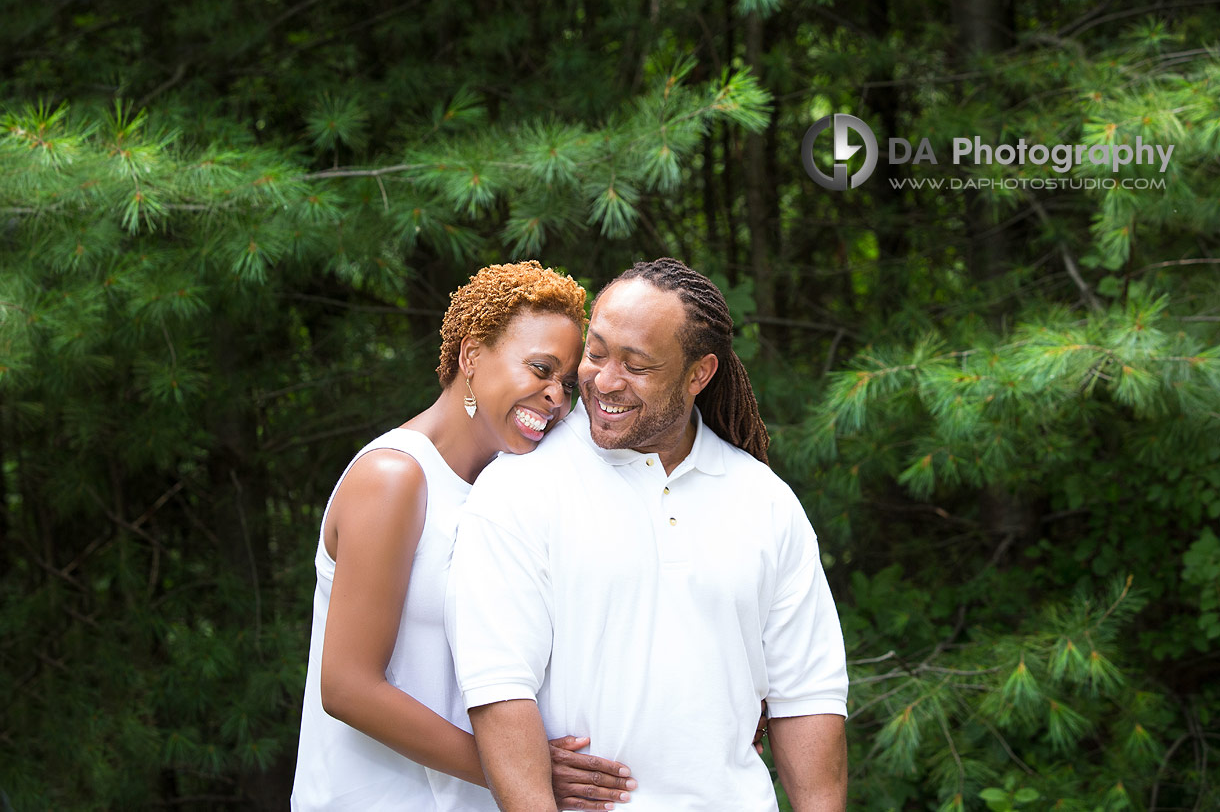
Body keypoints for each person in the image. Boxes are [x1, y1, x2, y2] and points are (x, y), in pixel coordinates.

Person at [447, 258, 849, 811]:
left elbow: (807, 698)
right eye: (596, 352)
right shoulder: (518, 489)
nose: (604, 381)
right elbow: (499, 689)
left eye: (636, 365)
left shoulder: (766, 502)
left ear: (698, 374)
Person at [292, 261, 638, 811]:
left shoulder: (513, 488)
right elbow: (348, 687)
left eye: (566, 383)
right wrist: (524, 769)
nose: (556, 399)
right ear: (471, 356)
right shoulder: (395, 478)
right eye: (540, 369)